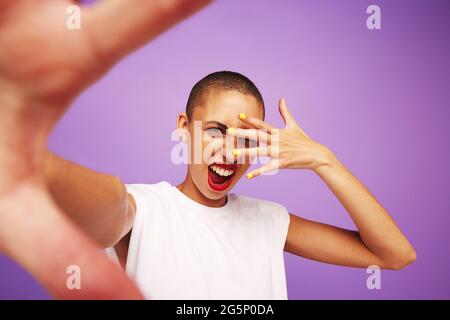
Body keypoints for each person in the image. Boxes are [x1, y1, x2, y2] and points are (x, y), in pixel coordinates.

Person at [0, 0, 415, 300]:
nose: (231, 152)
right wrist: (27, 163)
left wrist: (324, 160)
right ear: (184, 129)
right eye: (215, 130)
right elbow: (106, 208)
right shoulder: (142, 209)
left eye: (247, 139)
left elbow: (394, 255)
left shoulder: (269, 222)